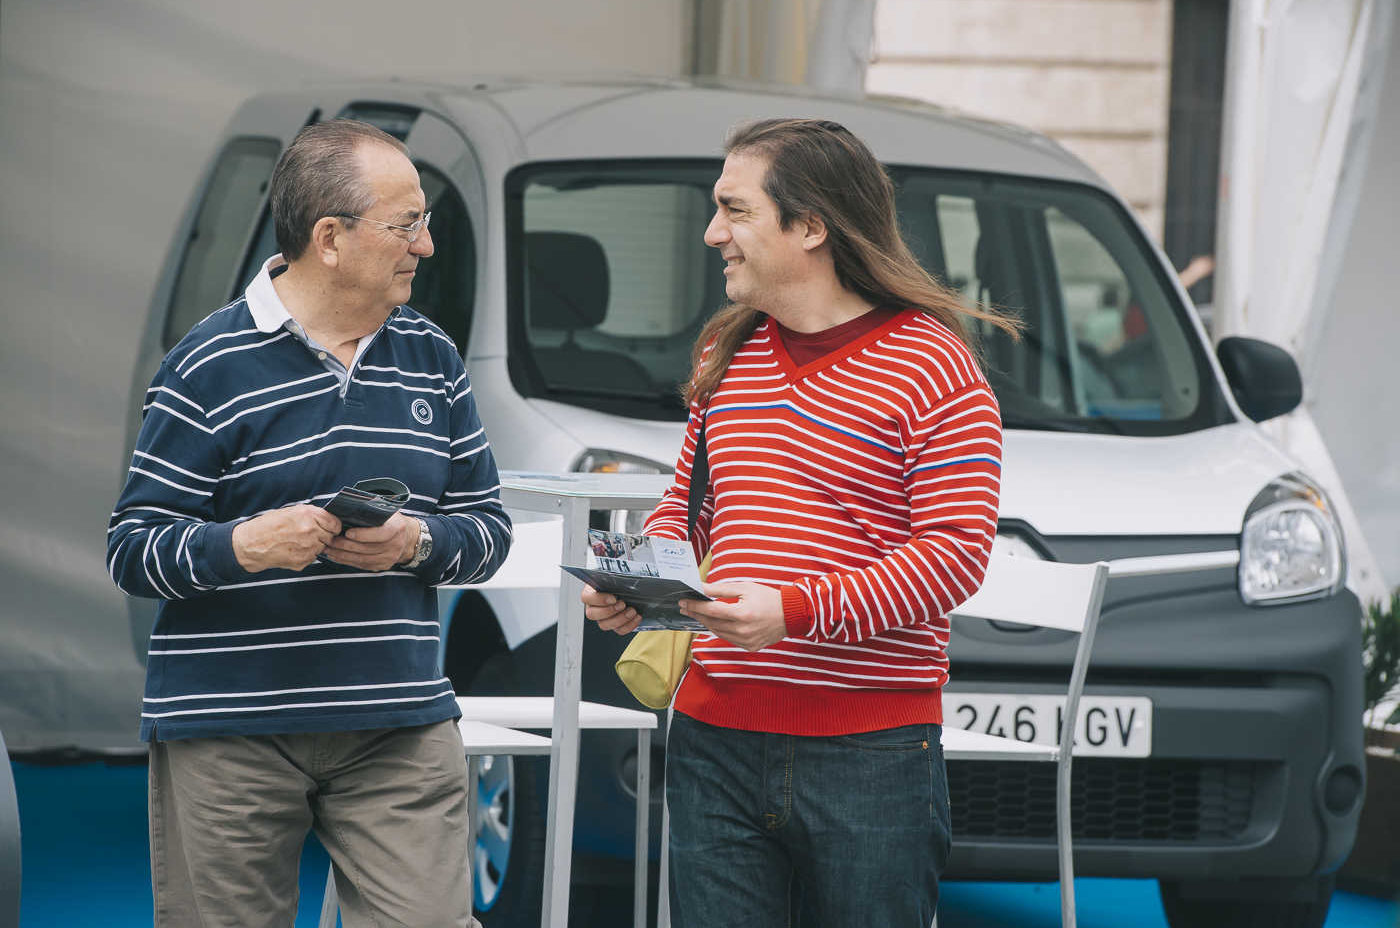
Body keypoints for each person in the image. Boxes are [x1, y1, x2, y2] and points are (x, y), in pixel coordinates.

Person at [584, 118, 1016, 926]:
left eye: (735, 210)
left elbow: (955, 555)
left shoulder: (934, 365)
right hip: (713, 738)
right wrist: (639, 584)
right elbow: (690, 511)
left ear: (810, 225)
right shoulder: (728, 352)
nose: (713, 233)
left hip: (872, 756)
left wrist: (794, 611)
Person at [107, 119, 512, 928]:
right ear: (329, 238)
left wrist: (417, 541)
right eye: (407, 224)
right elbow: (133, 549)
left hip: (396, 724)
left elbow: (487, 530)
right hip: (230, 730)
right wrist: (245, 546)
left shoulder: (432, 356)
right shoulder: (204, 365)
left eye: (424, 220)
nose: (426, 245)